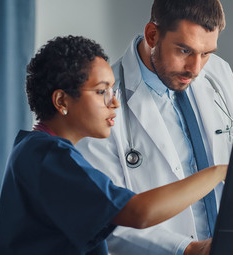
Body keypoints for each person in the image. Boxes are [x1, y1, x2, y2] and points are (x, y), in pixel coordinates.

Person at [0, 35, 227, 255]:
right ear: (62, 100)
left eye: (112, 90)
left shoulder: (37, 150)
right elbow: (137, 212)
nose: (114, 102)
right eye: (101, 91)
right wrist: (220, 171)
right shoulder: (48, 157)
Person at [76, 0, 233, 254]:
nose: (195, 69)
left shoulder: (219, 74)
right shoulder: (103, 102)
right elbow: (107, 217)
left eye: (206, 53)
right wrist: (189, 249)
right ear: (152, 35)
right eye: (184, 50)